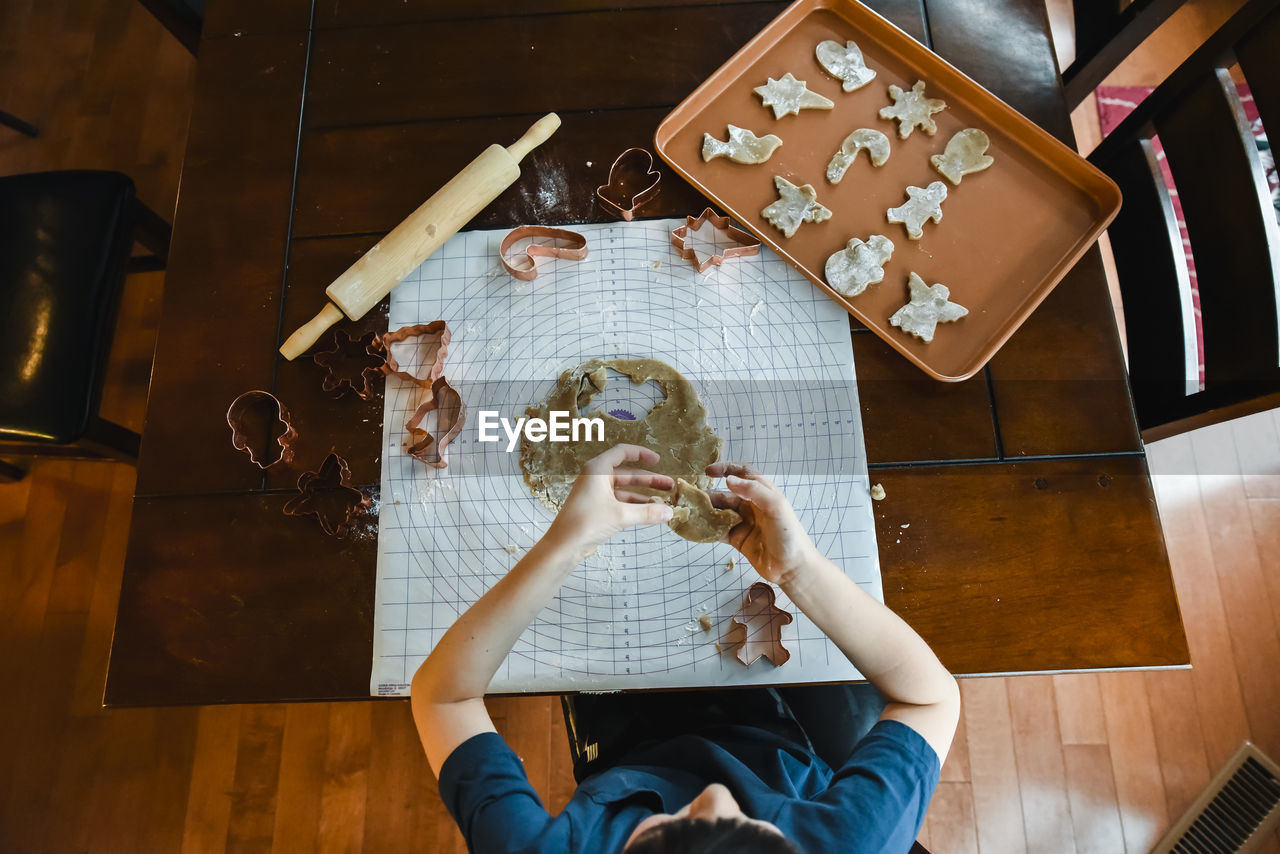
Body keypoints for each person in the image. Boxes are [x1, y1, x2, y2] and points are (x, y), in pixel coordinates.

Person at [411, 444, 960, 853]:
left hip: (628, 760)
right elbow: (930, 700)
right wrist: (799, 570)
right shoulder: (853, 841)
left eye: (678, 822)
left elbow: (444, 699)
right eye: (747, 821)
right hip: (789, 754)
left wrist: (566, 542)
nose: (719, 793)